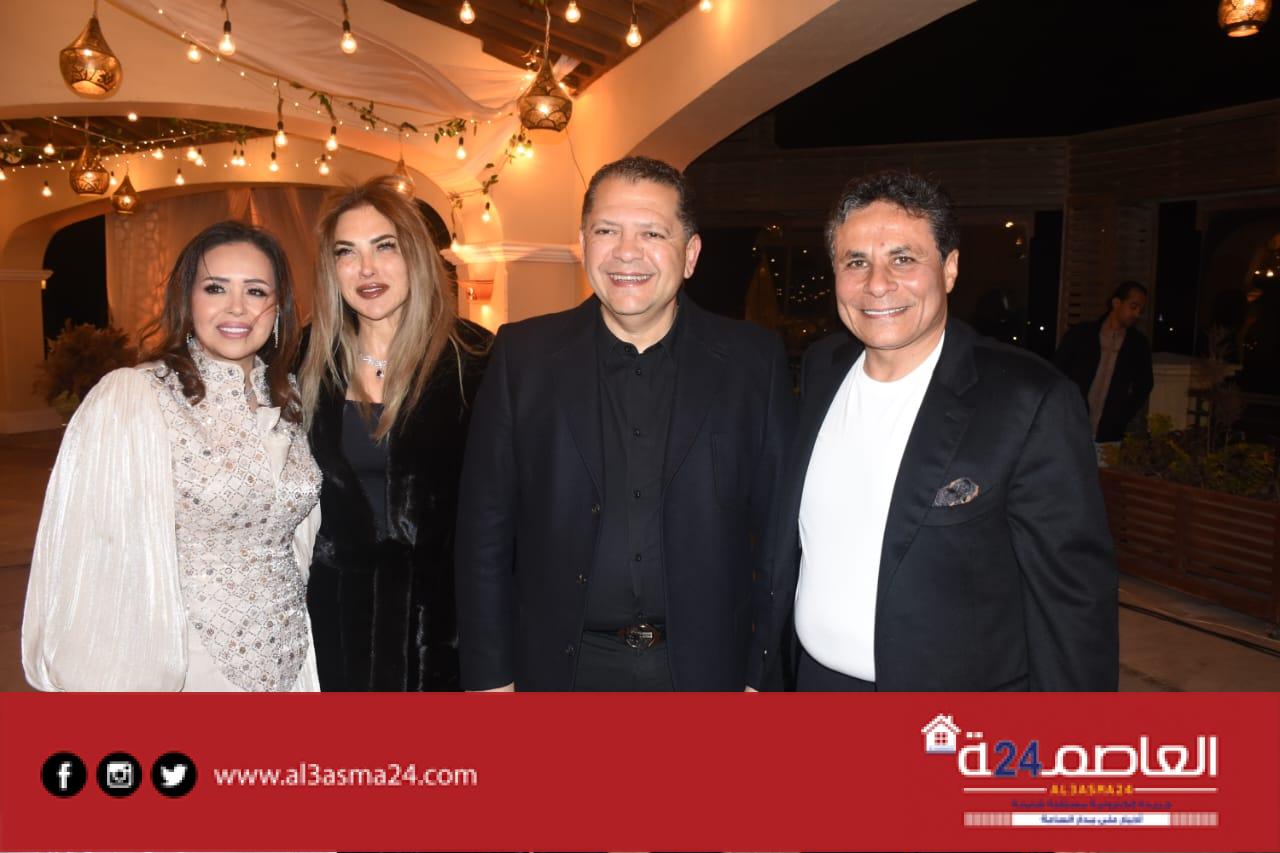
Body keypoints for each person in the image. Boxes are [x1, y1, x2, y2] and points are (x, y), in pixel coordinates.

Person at [758, 171, 1118, 692]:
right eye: (856, 262)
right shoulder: (823, 367)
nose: (877, 283)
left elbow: (1073, 601)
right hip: (816, 688)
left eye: (903, 259)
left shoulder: (1027, 400)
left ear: (949, 269)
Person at [455, 155, 795, 692]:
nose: (626, 251)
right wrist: (489, 677)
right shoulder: (523, 357)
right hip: (559, 672)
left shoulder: (754, 362)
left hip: (707, 674)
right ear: (582, 244)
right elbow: (483, 531)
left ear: (690, 254)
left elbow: (778, 535)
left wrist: (761, 674)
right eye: (606, 230)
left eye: (652, 233)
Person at [23, 221, 321, 691]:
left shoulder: (291, 398)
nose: (237, 307)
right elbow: (92, 554)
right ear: (187, 300)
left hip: (292, 655)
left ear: (278, 306)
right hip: (183, 663)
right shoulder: (135, 397)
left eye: (256, 291)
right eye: (215, 288)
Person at [299, 177, 491, 692]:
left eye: (385, 246)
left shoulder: (477, 362)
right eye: (346, 252)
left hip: (446, 629)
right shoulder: (305, 361)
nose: (366, 268)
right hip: (334, 624)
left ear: (416, 256)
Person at [1054, 281, 1154, 442]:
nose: (1136, 314)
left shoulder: (1137, 344)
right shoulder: (1081, 334)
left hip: (1110, 431)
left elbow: (1145, 384)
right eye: (1133, 306)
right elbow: (1058, 371)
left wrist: (1123, 414)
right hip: (1071, 424)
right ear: (1116, 303)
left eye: (1140, 310)